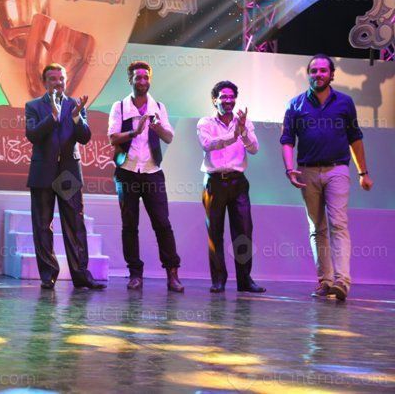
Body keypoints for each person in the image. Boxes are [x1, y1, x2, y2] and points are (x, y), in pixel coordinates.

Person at [281, 54, 373, 301]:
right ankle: (325, 281)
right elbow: (287, 140)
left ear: (332, 75)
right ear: (308, 74)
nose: (318, 75)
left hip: (337, 169)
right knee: (317, 228)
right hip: (307, 170)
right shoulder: (295, 104)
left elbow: (355, 138)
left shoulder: (345, 102)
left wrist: (363, 173)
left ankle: (342, 281)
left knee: (338, 224)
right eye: (314, 71)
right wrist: (289, 169)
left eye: (323, 70)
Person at [25, 63, 106, 290]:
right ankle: (48, 275)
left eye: (61, 79)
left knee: (75, 225)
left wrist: (77, 117)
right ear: (44, 82)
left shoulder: (75, 105)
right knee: (43, 226)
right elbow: (32, 135)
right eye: (52, 79)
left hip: (68, 174)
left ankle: (81, 275)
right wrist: (53, 115)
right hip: (43, 172)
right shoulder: (33, 106)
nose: (58, 83)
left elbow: (85, 138)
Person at [107, 61, 183, 292]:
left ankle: (172, 274)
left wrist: (157, 127)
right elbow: (113, 138)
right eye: (138, 77)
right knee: (130, 225)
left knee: (162, 223)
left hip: (152, 172)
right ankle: (135, 274)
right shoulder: (120, 106)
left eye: (145, 77)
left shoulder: (158, 106)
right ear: (130, 80)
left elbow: (169, 137)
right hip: (127, 172)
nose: (142, 81)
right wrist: (135, 131)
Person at [197, 81, 266, 293]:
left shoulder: (243, 122)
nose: (228, 100)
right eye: (223, 97)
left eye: (231, 97)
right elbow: (207, 144)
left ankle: (245, 280)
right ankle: (219, 280)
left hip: (238, 182)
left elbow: (254, 148)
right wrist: (232, 135)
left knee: (243, 232)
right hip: (214, 182)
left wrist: (242, 131)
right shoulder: (205, 122)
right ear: (214, 100)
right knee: (215, 233)